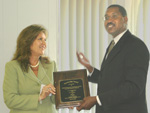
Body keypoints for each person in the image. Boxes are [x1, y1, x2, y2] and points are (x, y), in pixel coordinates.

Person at [76, 4, 149, 113]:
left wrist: (97, 99)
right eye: (106, 18)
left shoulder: (135, 45)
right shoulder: (113, 45)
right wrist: (89, 67)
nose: (109, 20)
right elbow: (110, 80)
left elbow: (134, 87)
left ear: (125, 19)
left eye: (114, 16)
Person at [3, 24, 58, 113]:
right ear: (28, 41)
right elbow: (10, 100)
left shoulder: (51, 65)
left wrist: (68, 100)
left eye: (45, 40)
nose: (44, 44)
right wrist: (39, 97)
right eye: (40, 39)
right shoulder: (12, 67)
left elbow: (55, 98)